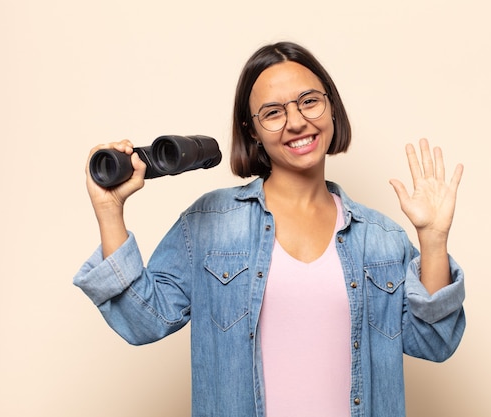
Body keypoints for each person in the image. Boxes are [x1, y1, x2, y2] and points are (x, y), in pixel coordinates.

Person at [74, 41, 465, 417]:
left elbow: (433, 342)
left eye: (309, 101)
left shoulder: (381, 239)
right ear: (253, 130)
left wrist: (432, 240)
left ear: (331, 108)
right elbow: (144, 322)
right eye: (274, 112)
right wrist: (110, 212)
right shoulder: (209, 224)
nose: (297, 122)